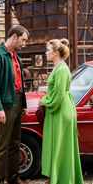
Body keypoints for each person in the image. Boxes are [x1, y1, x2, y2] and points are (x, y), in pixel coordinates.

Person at [0, 25, 29, 184]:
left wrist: (23, 103)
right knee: (2, 145)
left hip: (17, 102)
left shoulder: (15, 56)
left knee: (15, 142)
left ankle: (13, 178)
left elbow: (19, 82)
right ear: (14, 37)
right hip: (6, 104)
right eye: (23, 39)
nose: (24, 43)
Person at [38, 39, 83, 184]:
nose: (45, 53)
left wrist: (43, 101)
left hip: (61, 110)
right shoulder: (58, 68)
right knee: (58, 145)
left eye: (48, 50)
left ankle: (64, 180)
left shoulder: (62, 69)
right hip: (58, 110)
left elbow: (58, 96)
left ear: (56, 52)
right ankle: (57, 178)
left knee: (61, 146)